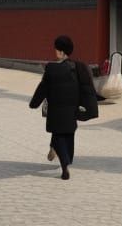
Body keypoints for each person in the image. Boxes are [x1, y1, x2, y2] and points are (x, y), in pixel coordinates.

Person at [28, 34, 98, 180]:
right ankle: (66, 160)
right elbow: (87, 89)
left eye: (56, 50)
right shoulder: (77, 68)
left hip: (55, 111)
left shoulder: (51, 69)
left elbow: (43, 88)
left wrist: (34, 103)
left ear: (60, 51)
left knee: (58, 135)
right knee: (68, 135)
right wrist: (89, 107)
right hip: (71, 110)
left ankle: (64, 164)